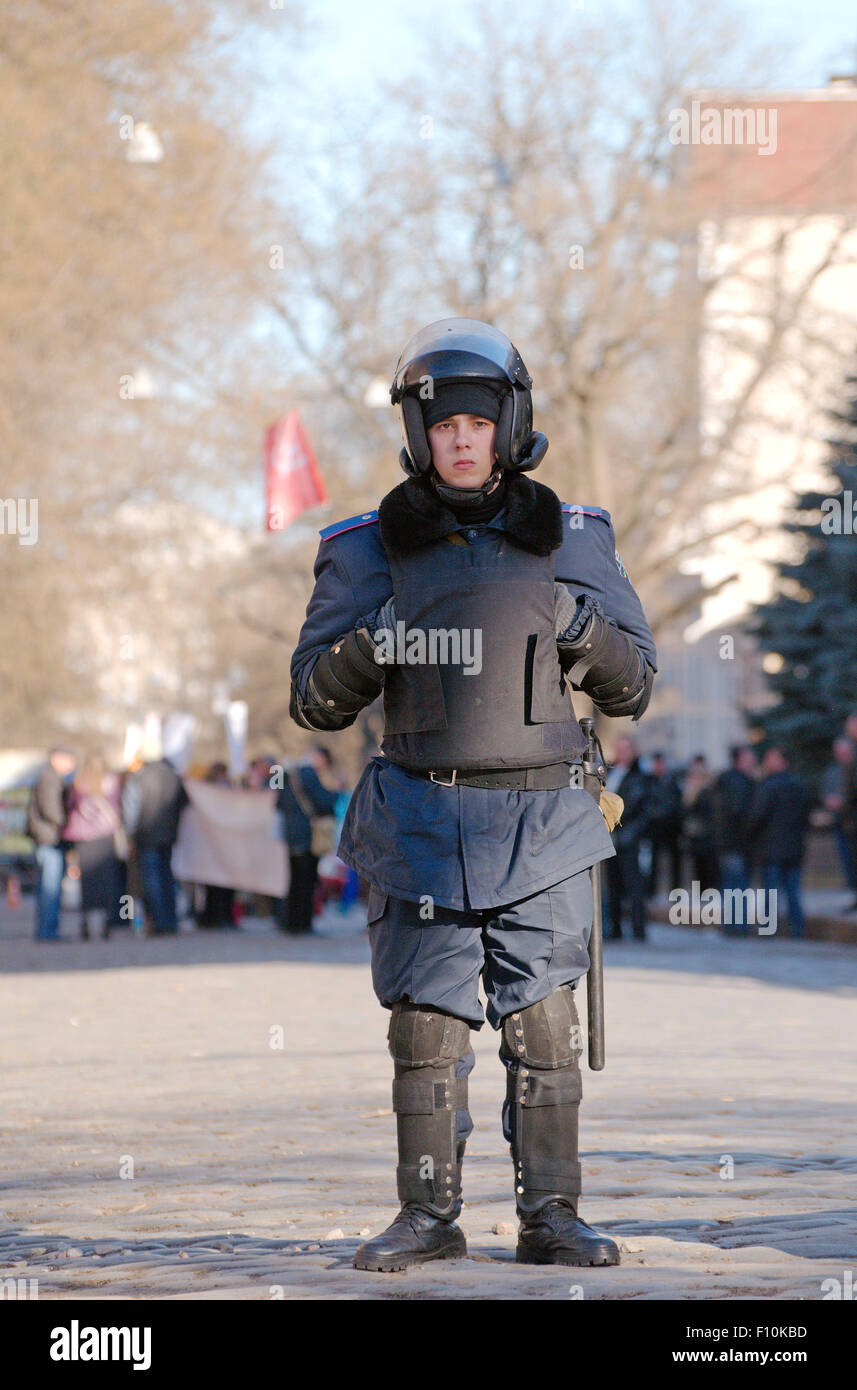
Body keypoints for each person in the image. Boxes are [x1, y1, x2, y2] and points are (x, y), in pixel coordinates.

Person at [290, 318, 657, 1272]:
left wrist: (579, 626)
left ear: (509, 425)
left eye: (476, 421)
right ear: (417, 433)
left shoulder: (572, 538)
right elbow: (313, 701)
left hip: (541, 818)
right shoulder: (363, 548)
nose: (459, 438)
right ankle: (427, 1214)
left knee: (543, 1024)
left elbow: (634, 685)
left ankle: (553, 1215)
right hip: (419, 815)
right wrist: (375, 637)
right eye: (441, 422)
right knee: (425, 1025)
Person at [122, 732, 188, 935]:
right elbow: (183, 803)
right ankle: (170, 920)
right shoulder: (172, 775)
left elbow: (130, 810)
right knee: (167, 878)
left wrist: (130, 835)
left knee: (152, 880)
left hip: (146, 835)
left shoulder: (139, 777)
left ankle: (159, 922)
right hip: (168, 835)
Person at [275, 745, 342, 935]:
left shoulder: (286, 773)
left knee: (293, 880)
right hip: (308, 836)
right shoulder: (310, 775)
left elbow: (277, 799)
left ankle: (289, 922)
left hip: (290, 834)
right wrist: (336, 791)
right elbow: (325, 802)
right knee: (307, 881)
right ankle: (303, 923)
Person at [748, 746, 814, 938]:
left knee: (772, 892)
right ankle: (797, 929)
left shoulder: (768, 786)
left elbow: (757, 817)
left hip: (772, 848)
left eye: (771, 758)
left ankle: (770, 928)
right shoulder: (800, 785)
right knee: (792, 891)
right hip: (793, 847)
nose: (766, 762)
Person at [62, 754, 123, 941]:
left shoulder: (79, 783)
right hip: (105, 837)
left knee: (86, 882)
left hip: (84, 838)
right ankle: (106, 920)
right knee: (106, 882)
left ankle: (86, 921)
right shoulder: (112, 782)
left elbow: (70, 806)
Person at [602, 735, 652, 941]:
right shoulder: (610, 773)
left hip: (630, 840)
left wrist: (629, 834)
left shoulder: (640, 777)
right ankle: (614, 929)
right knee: (612, 886)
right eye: (618, 749)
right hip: (610, 838)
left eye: (625, 749)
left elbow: (640, 809)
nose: (621, 753)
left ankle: (638, 930)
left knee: (634, 886)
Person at [28, 745, 76, 940]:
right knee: (50, 888)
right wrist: (68, 823)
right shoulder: (50, 778)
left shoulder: (49, 777)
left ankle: (46, 929)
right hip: (50, 838)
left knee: (47, 888)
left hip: (47, 837)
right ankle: (48, 930)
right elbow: (51, 810)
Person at [710, 744, 758, 935]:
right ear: (740, 758)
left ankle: (733, 925)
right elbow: (738, 812)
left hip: (730, 842)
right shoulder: (737, 781)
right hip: (736, 842)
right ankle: (737, 926)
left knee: (733, 884)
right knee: (736, 884)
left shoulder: (731, 779)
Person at [821, 736, 857, 908]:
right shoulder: (832, 771)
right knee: (847, 862)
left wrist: (844, 802)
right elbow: (825, 792)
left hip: (852, 823)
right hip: (840, 823)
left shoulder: (853, 769)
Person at [643, 751, 682, 897]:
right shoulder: (648, 781)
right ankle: (651, 892)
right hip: (654, 829)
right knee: (653, 862)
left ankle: (675, 891)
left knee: (674, 862)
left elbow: (676, 803)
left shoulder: (671, 781)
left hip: (671, 828)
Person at [681, 755, 718, 894]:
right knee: (698, 868)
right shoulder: (689, 794)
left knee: (706, 868)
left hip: (705, 837)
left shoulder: (706, 793)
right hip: (695, 838)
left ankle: (706, 892)